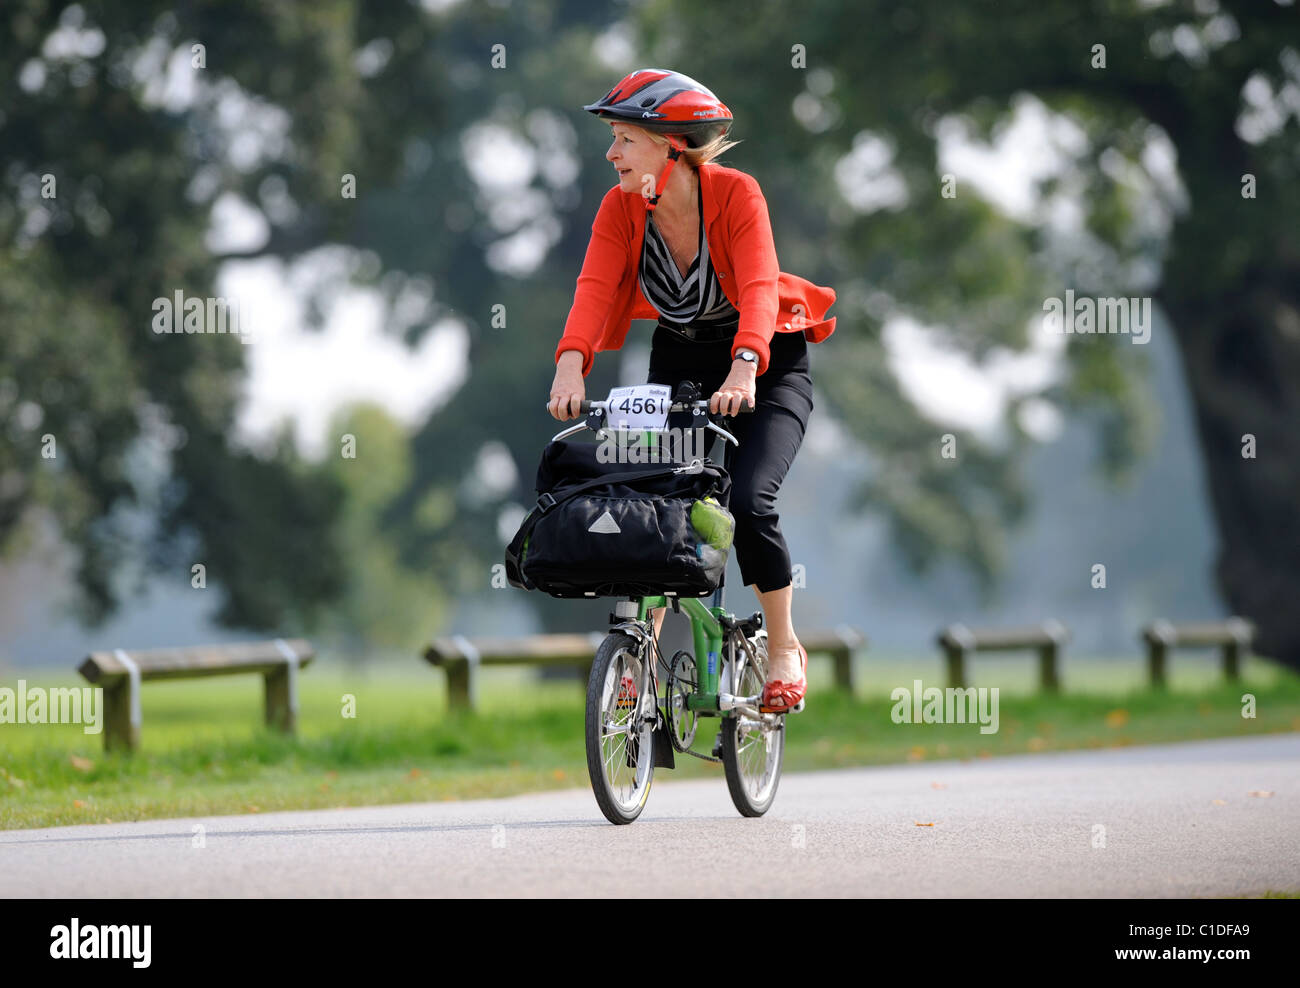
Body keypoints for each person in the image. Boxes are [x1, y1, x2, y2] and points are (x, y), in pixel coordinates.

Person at [547, 68, 837, 713]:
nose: (611, 153)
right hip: (680, 354)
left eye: (624, 138)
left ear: (670, 144)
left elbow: (761, 288)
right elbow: (594, 290)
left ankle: (785, 646)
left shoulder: (736, 195)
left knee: (748, 499)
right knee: (653, 494)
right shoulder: (619, 209)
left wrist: (744, 368)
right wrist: (572, 366)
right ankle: (640, 658)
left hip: (766, 358)